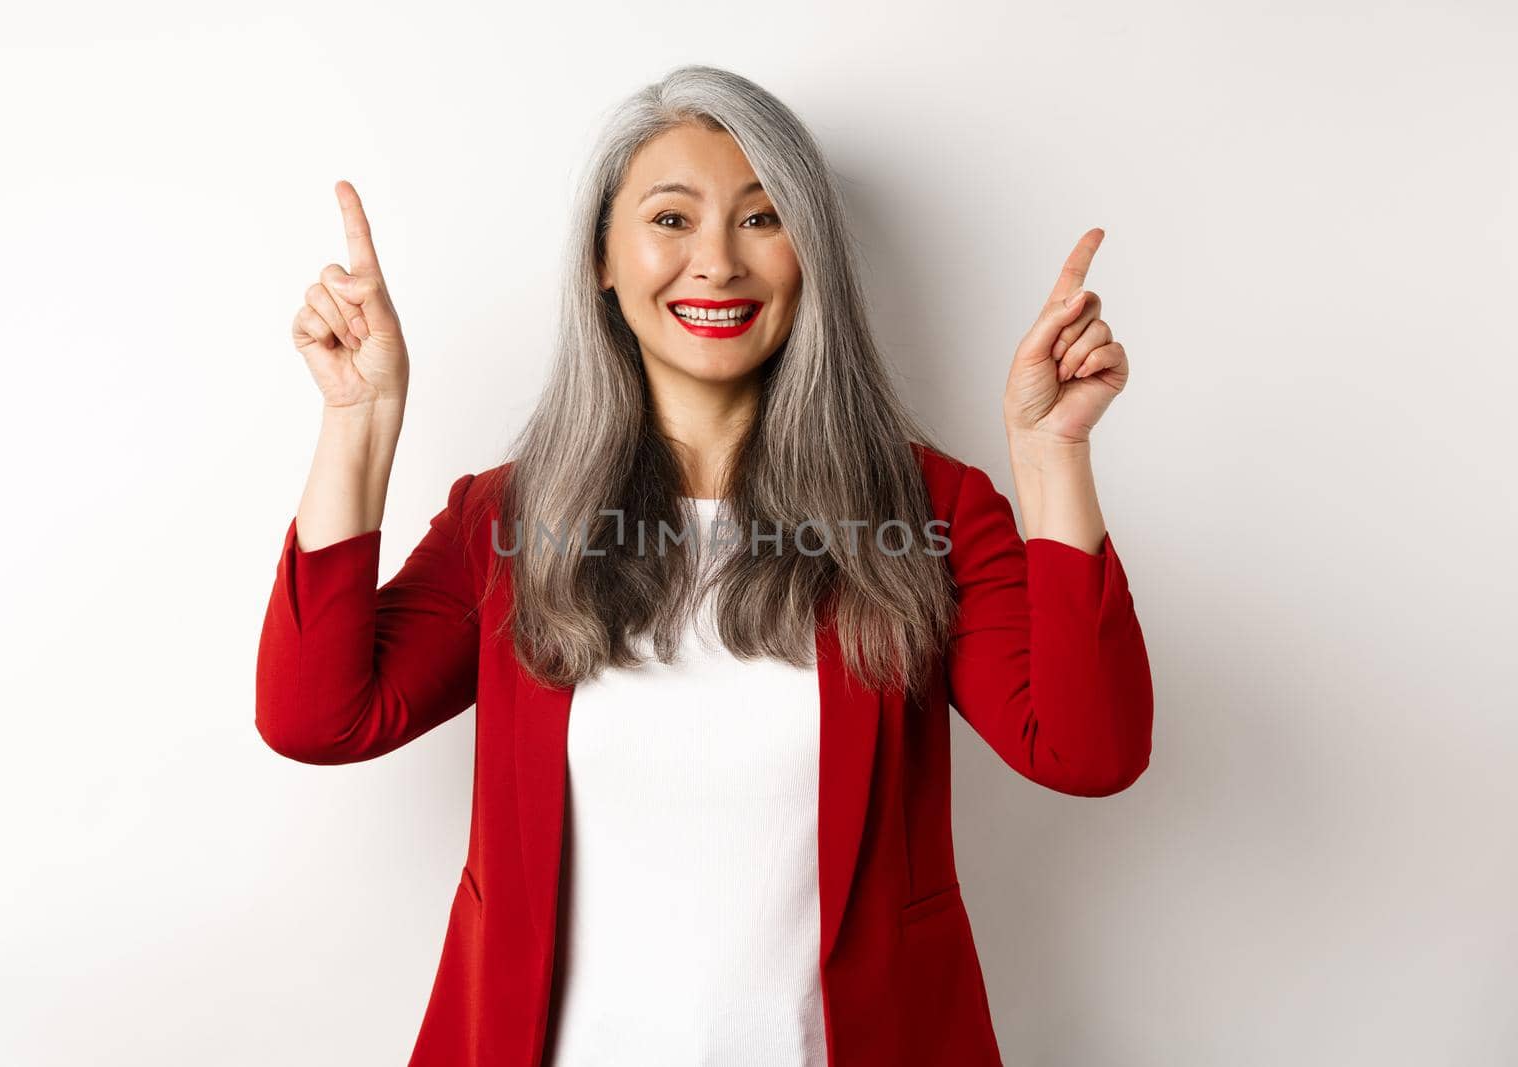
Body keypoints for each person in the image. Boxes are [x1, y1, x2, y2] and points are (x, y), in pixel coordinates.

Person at [256, 64, 1153, 1067]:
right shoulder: (508, 519)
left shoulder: (927, 510)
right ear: (603, 257)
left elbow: (1085, 750)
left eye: (763, 218)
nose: (716, 262)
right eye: (671, 219)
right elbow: (317, 718)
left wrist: (1051, 454)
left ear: (810, 257)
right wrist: (358, 421)